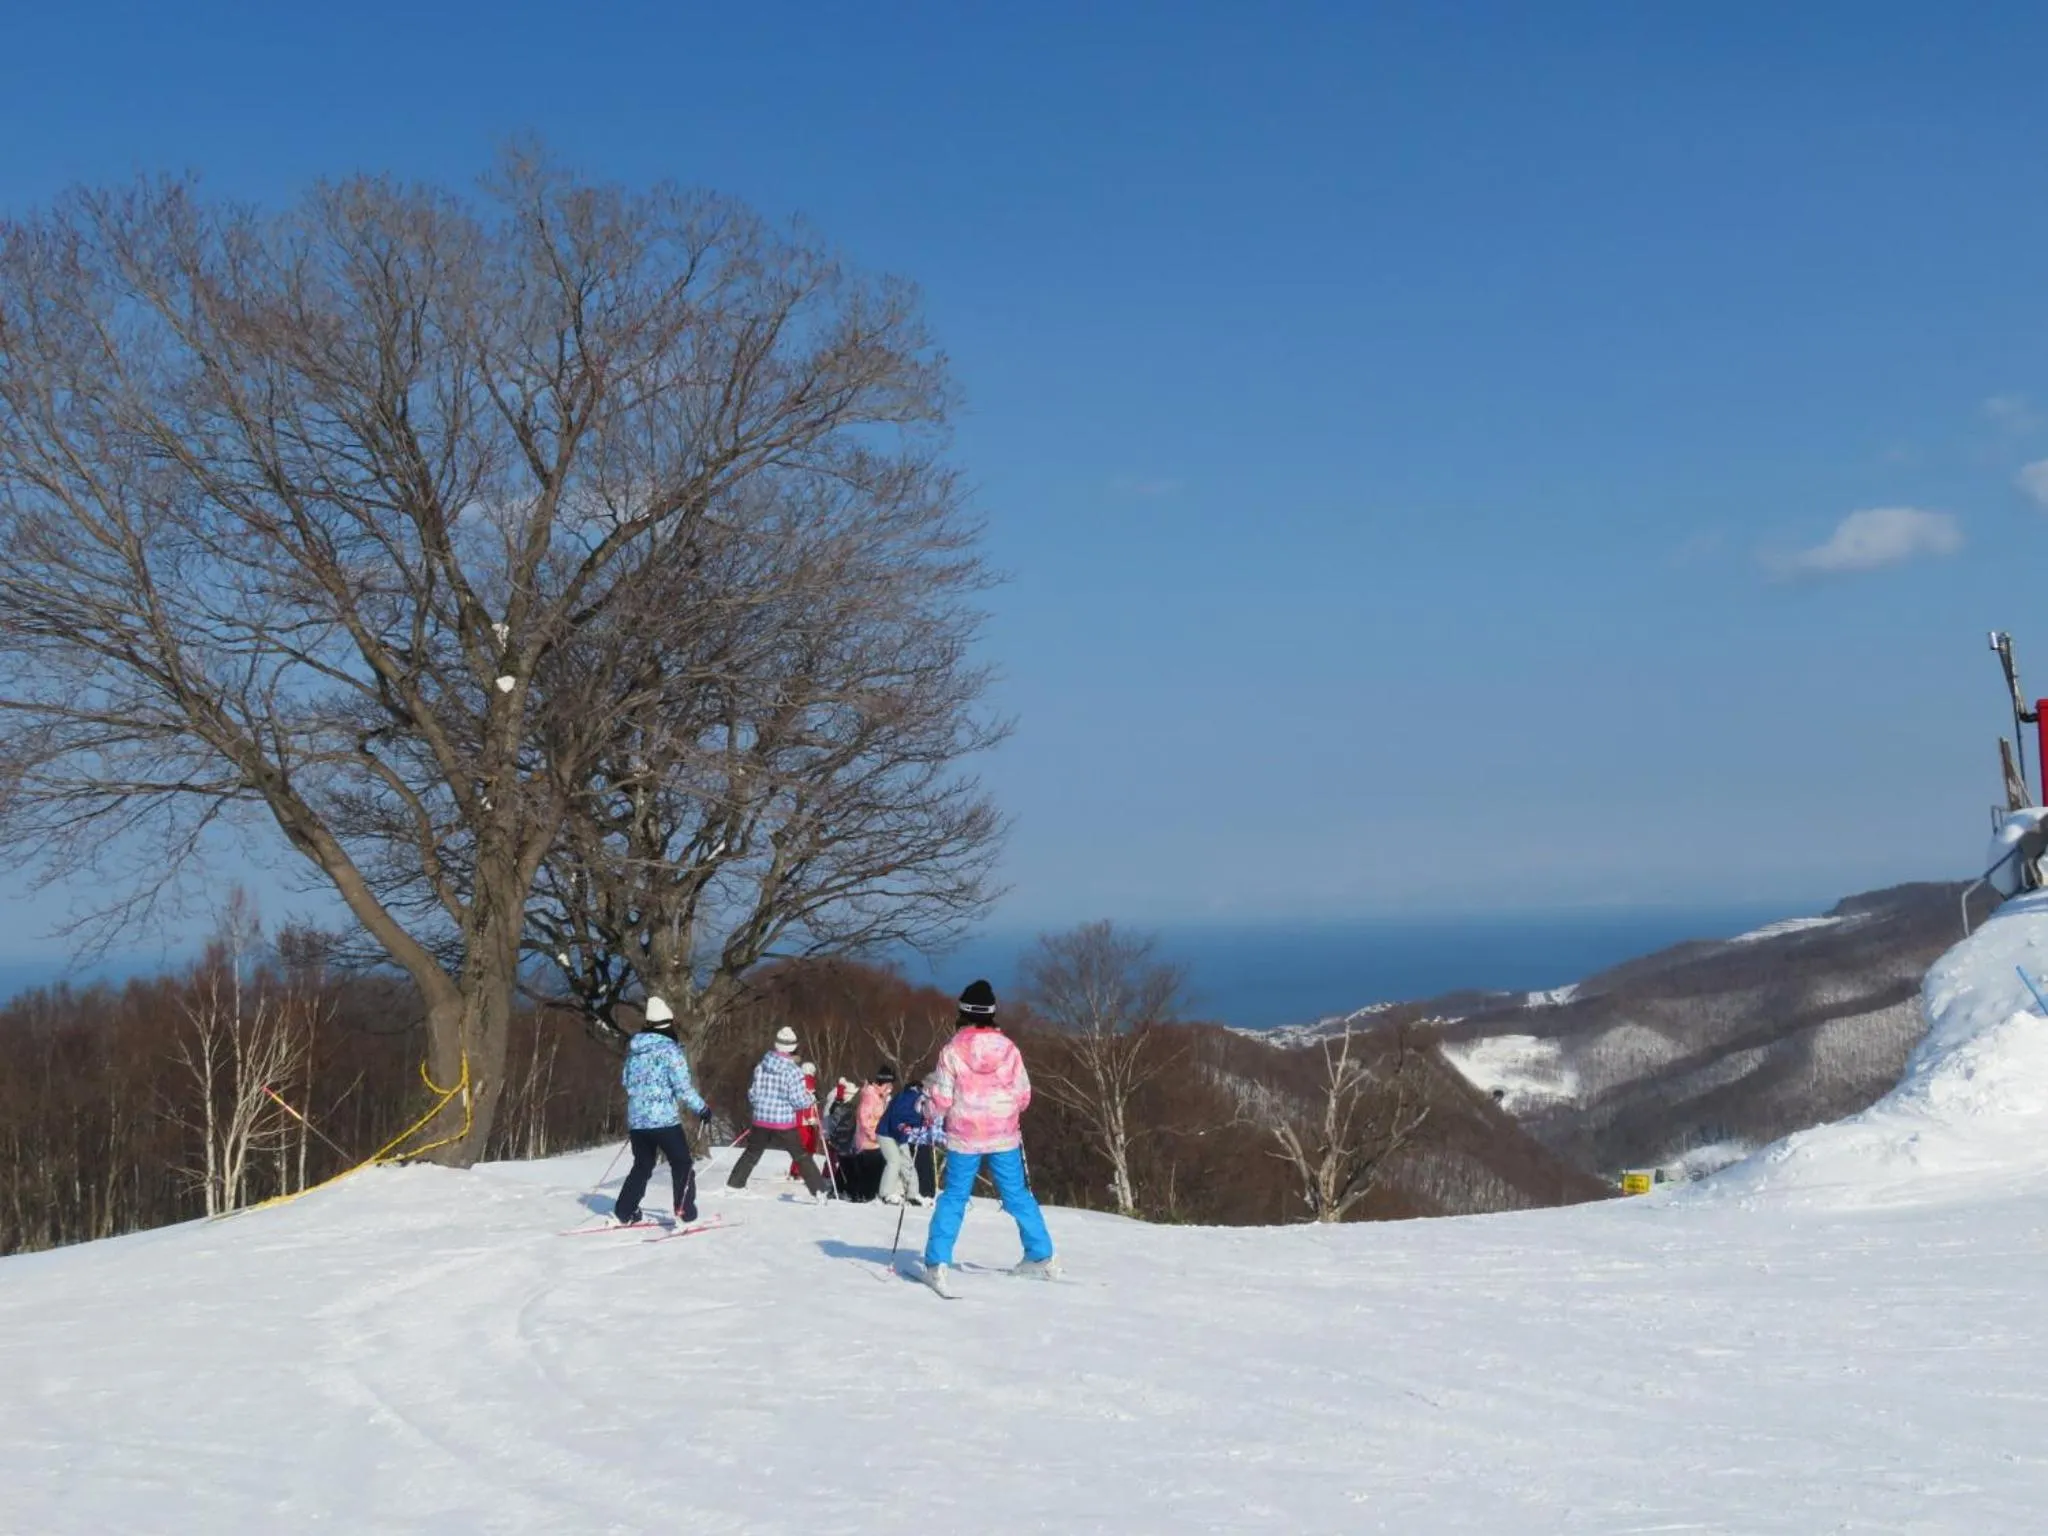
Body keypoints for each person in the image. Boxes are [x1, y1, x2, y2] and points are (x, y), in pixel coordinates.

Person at [921, 980, 1058, 1296]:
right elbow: (1024, 1095)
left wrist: (927, 1110)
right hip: (1003, 1135)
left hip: (964, 1135)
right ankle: (1040, 1254)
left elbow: (941, 1099)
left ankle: (937, 1263)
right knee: (1016, 1194)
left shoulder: (952, 1051)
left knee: (955, 1197)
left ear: (963, 1012)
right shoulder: (1008, 1048)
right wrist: (1005, 1110)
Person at [612, 996, 708, 1227]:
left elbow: (626, 1081)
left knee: (642, 1165)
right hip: (664, 1120)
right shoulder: (670, 1051)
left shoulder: (634, 1051)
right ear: (668, 1024)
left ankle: (624, 1211)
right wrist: (702, 1108)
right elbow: (682, 1088)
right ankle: (686, 1213)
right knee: (682, 1163)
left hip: (638, 1121)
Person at [726, 1025, 828, 1196]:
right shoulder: (793, 1071)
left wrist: (761, 1107)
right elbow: (798, 1101)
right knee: (801, 1156)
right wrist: (812, 1099)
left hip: (761, 1119)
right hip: (784, 1122)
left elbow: (753, 1094)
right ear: (793, 1047)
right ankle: (819, 1190)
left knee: (752, 1152)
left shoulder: (761, 1066)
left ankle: (734, 1184)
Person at [879, 1072, 928, 1206]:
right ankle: (885, 1193)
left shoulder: (914, 1098)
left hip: (899, 1135)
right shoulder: (909, 1097)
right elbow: (897, 1116)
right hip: (887, 1133)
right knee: (894, 1161)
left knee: (907, 1162)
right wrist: (904, 1126)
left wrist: (921, 1121)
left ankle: (913, 1193)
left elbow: (912, 1116)